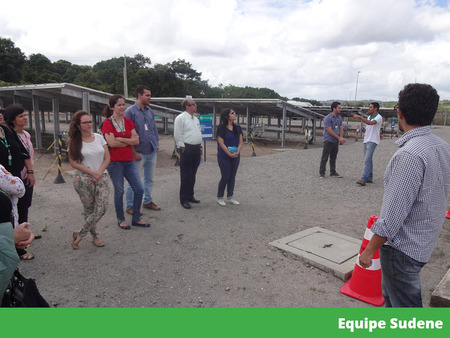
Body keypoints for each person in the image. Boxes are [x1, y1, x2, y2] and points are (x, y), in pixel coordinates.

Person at [359, 83, 450, 307]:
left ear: (399, 113)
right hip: (423, 242)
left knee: (406, 311)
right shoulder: (442, 147)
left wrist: (369, 249)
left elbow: (391, 218)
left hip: (402, 250)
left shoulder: (408, 156)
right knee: (393, 300)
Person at [101, 94, 150, 229]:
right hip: (115, 162)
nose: (123, 107)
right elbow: (111, 143)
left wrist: (121, 140)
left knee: (139, 189)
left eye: (123, 104)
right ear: (112, 107)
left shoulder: (128, 122)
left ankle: (136, 218)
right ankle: (121, 219)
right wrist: (127, 141)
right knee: (119, 191)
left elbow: (137, 140)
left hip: (129, 161)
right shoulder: (107, 123)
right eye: (119, 105)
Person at [68, 110, 110, 249]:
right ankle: (95, 235)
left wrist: (98, 173)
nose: (88, 124)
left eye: (90, 121)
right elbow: (73, 163)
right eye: (85, 122)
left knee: (102, 208)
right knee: (89, 209)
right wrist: (92, 172)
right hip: (83, 179)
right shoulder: (74, 142)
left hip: (101, 176)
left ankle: (79, 234)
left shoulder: (99, 137)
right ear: (78, 125)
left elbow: (107, 157)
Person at [0, 110, 35, 260]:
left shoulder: (7, 130)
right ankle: (13, 248)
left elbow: (23, 152)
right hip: (3, 182)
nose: (0, 114)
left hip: (18, 177)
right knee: (6, 214)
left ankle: (22, 236)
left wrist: (30, 171)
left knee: (22, 207)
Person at [124, 85, 160, 215]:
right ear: (140, 95)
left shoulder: (150, 111)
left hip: (151, 150)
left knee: (149, 179)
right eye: (147, 95)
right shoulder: (130, 112)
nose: (150, 98)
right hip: (138, 152)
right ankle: (130, 206)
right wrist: (134, 152)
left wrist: (156, 144)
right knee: (133, 180)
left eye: (150, 95)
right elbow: (127, 134)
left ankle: (147, 201)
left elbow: (153, 129)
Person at [173, 98, 202, 209]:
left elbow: (198, 133)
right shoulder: (180, 118)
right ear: (187, 107)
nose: (196, 106)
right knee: (185, 174)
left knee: (193, 174)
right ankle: (184, 199)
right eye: (194, 104)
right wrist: (182, 146)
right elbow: (177, 133)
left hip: (196, 148)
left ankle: (190, 195)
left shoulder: (195, 119)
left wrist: (200, 147)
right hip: (187, 148)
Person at [216, 108, 243, 206]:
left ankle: (230, 197)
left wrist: (237, 152)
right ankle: (219, 197)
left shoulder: (238, 128)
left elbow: (241, 142)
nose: (235, 114)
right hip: (224, 156)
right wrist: (229, 153)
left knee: (232, 176)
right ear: (227, 116)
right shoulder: (221, 128)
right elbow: (221, 143)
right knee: (225, 176)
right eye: (232, 113)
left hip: (235, 156)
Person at [352, 102, 383, 186]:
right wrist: (379, 133)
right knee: (368, 160)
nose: (369, 108)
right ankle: (370, 177)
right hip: (367, 140)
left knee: (367, 160)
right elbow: (372, 127)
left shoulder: (378, 117)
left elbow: (370, 123)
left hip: (372, 141)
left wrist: (359, 117)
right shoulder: (369, 116)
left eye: (370, 107)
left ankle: (364, 178)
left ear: (375, 108)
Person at [319, 101, 345, 178]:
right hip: (329, 140)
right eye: (339, 108)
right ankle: (322, 172)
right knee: (325, 157)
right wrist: (339, 138)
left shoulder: (339, 118)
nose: (341, 109)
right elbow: (329, 130)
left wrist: (341, 137)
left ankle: (333, 171)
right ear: (334, 108)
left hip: (335, 140)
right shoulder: (328, 118)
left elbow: (341, 127)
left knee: (333, 157)